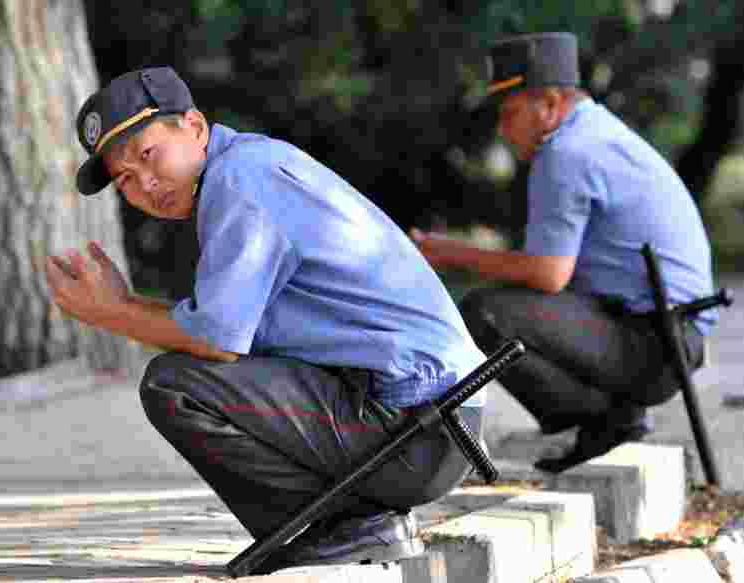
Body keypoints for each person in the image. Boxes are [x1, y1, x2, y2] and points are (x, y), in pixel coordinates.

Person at [45, 66, 489, 572]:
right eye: (125, 179)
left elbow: (215, 341)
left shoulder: (239, 180)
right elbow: (214, 328)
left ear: (192, 126)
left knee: (175, 386)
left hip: (419, 430)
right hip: (429, 425)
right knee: (193, 373)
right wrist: (122, 307)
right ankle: (347, 526)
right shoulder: (245, 168)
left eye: (148, 155)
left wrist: (114, 314)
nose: (144, 183)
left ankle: (347, 529)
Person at [410, 32, 718, 473]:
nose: (503, 129)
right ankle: (613, 420)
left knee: (486, 313)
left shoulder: (565, 153)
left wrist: (448, 253)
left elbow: (547, 274)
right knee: (511, 303)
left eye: (511, 112)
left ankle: (606, 423)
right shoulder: (598, 133)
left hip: (655, 347)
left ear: (550, 105)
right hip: (673, 342)